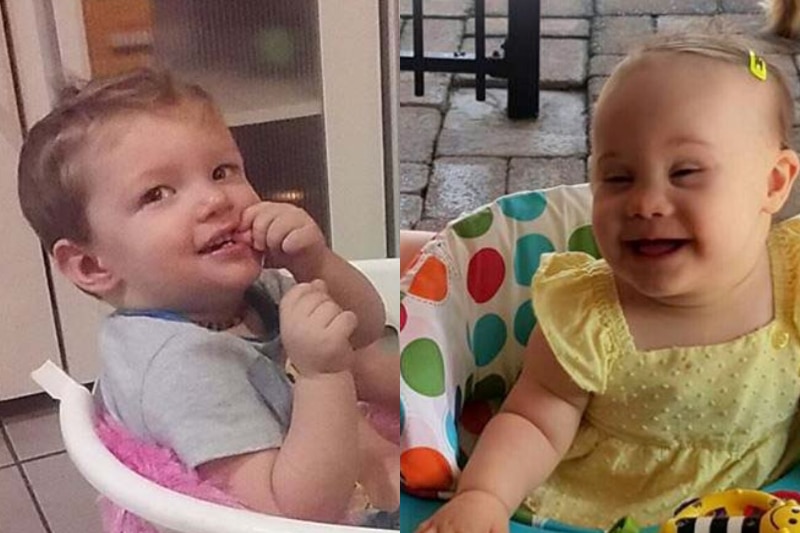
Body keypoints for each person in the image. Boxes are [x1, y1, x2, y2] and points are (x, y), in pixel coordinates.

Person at [413, 32, 800, 532]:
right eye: (618, 178)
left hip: (764, 495)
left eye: (684, 172)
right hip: (607, 512)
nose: (645, 203)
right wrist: (484, 498)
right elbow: (535, 421)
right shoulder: (588, 314)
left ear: (773, 183)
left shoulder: (792, 277)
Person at [17, 68, 399, 525]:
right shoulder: (180, 368)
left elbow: (367, 328)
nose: (215, 200)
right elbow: (294, 512)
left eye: (222, 171)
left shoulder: (244, 293)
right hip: (297, 510)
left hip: (337, 457)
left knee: (378, 363)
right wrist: (320, 374)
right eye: (157, 194)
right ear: (93, 266)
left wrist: (315, 264)